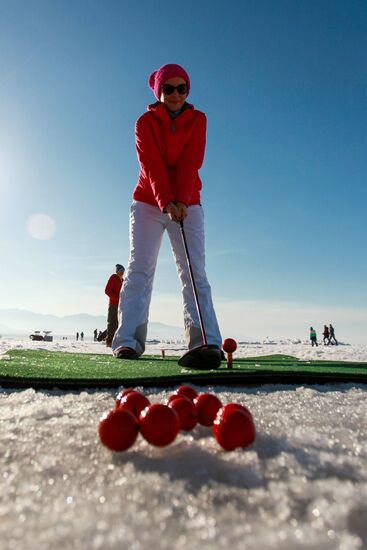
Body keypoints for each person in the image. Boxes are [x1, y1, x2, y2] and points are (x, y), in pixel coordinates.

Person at [112, 63, 222, 365]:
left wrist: (182, 200)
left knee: (193, 270)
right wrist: (165, 201)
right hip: (149, 201)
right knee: (139, 270)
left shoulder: (198, 120)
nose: (175, 94)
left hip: (189, 202)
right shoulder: (144, 123)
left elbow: (191, 161)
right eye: (168, 88)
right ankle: (128, 342)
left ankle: (205, 341)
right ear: (158, 91)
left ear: (188, 91)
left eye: (181, 88)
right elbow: (151, 164)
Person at [105, 264, 125, 347]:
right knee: (112, 322)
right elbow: (107, 290)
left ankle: (116, 341)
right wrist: (117, 299)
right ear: (117, 271)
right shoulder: (113, 277)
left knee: (118, 323)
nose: (122, 272)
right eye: (120, 270)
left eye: (123, 271)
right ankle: (109, 342)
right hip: (113, 304)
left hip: (121, 305)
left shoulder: (122, 280)